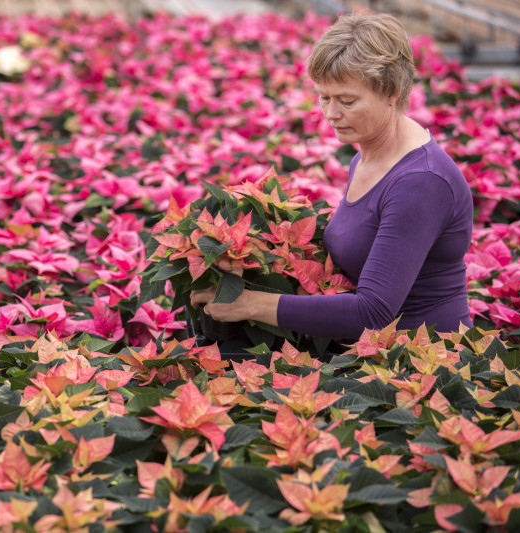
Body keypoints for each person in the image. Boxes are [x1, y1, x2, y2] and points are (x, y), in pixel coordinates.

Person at [191, 12, 474, 342]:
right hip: (372, 353)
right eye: (324, 97)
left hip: (424, 359)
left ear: (392, 92)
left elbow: (372, 314)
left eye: (348, 100)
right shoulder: (368, 153)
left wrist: (249, 303)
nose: (331, 114)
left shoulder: (420, 182)